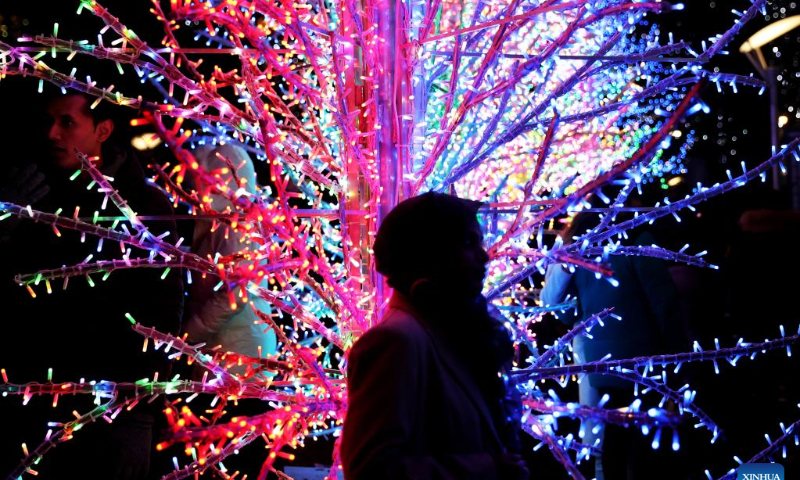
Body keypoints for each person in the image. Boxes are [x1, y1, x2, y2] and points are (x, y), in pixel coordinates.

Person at [0, 92, 183, 480]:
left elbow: (163, 308)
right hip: (31, 405)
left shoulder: (142, 206)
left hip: (110, 412)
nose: (51, 133)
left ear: (102, 131)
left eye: (67, 122)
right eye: (48, 121)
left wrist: (136, 395)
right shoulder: (32, 194)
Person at [340, 192, 529, 480]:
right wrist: (489, 469)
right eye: (467, 243)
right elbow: (372, 469)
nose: (483, 255)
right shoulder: (396, 342)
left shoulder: (447, 330)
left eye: (479, 242)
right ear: (430, 255)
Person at [540, 208, 685, 480]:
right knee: (648, 433)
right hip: (645, 358)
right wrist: (678, 349)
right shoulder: (638, 243)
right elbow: (664, 303)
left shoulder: (581, 253)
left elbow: (566, 310)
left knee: (614, 435)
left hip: (601, 362)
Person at [182, 143, 277, 370]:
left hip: (238, 347)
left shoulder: (237, 228)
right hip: (226, 341)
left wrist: (192, 329)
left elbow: (235, 292)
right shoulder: (223, 224)